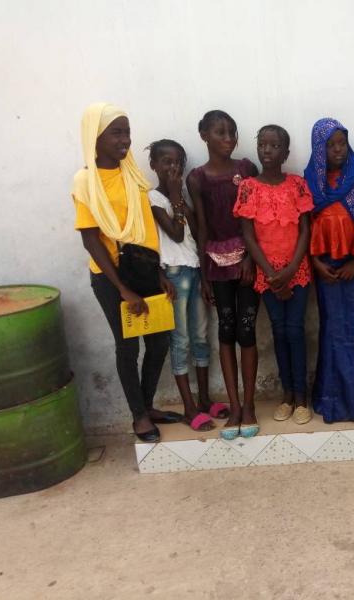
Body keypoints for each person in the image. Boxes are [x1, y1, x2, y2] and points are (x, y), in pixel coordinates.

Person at [72, 103, 178, 443]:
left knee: (159, 342)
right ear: (96, 136)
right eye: (116, 133)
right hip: (110, 277)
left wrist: (158, 274)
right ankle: (139, 417)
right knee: (128, 346)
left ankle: (147, 405)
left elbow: (145, 231)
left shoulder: (133, 176)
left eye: (127, 132)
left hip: (144, 270)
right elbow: (91, 239)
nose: (125, 140)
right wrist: (122, 288)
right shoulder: (86, 181)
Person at [305, 118, 354, 423]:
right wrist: (315, 262)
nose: (338, 149)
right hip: (324, 263)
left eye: (342, 142)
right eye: (330, 145)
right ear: (319, 149)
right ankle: (333, 402)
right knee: (332, 328)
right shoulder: (311, 178)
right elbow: (306, 224)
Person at [187, 110, 260, 440]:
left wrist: (251, 257)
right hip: (216, 262)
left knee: (247, 329)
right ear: (204, 135)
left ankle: (250, 405)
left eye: (232, 132)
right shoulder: (197, 178)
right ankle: (234, 405)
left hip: (247, 260)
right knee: (226, 330)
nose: (228, 138)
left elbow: (255, 219)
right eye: (220, 132)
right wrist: (204, 275)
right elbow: (202, 227)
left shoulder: (246, 169)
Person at [235, 125, 314, 426]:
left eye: (274, 145)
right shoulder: (248, 188)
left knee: (295, 330)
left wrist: (291, 270)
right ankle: (287, 395)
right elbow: (248, 235)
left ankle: (302, 397)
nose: (267, 150)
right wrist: (270, 273)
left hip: (297, 269)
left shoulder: (297, 185)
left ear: (286, 152)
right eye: (262, 144)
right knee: (279, 331)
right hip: (266, 273)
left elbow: (305, 229)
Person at [147, 139, 215, 432]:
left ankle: (204, 400)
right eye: (166, 162)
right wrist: (175, 197)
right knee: (181, 340)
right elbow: (175, 234)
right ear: (154, 165)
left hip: (195, 270)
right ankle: (188, 408)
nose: (173, 167)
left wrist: (181, 200)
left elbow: (197, 233)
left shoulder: (181, 197)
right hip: (174, 273)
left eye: (177, 162)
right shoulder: (153, 199)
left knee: (200, 336)